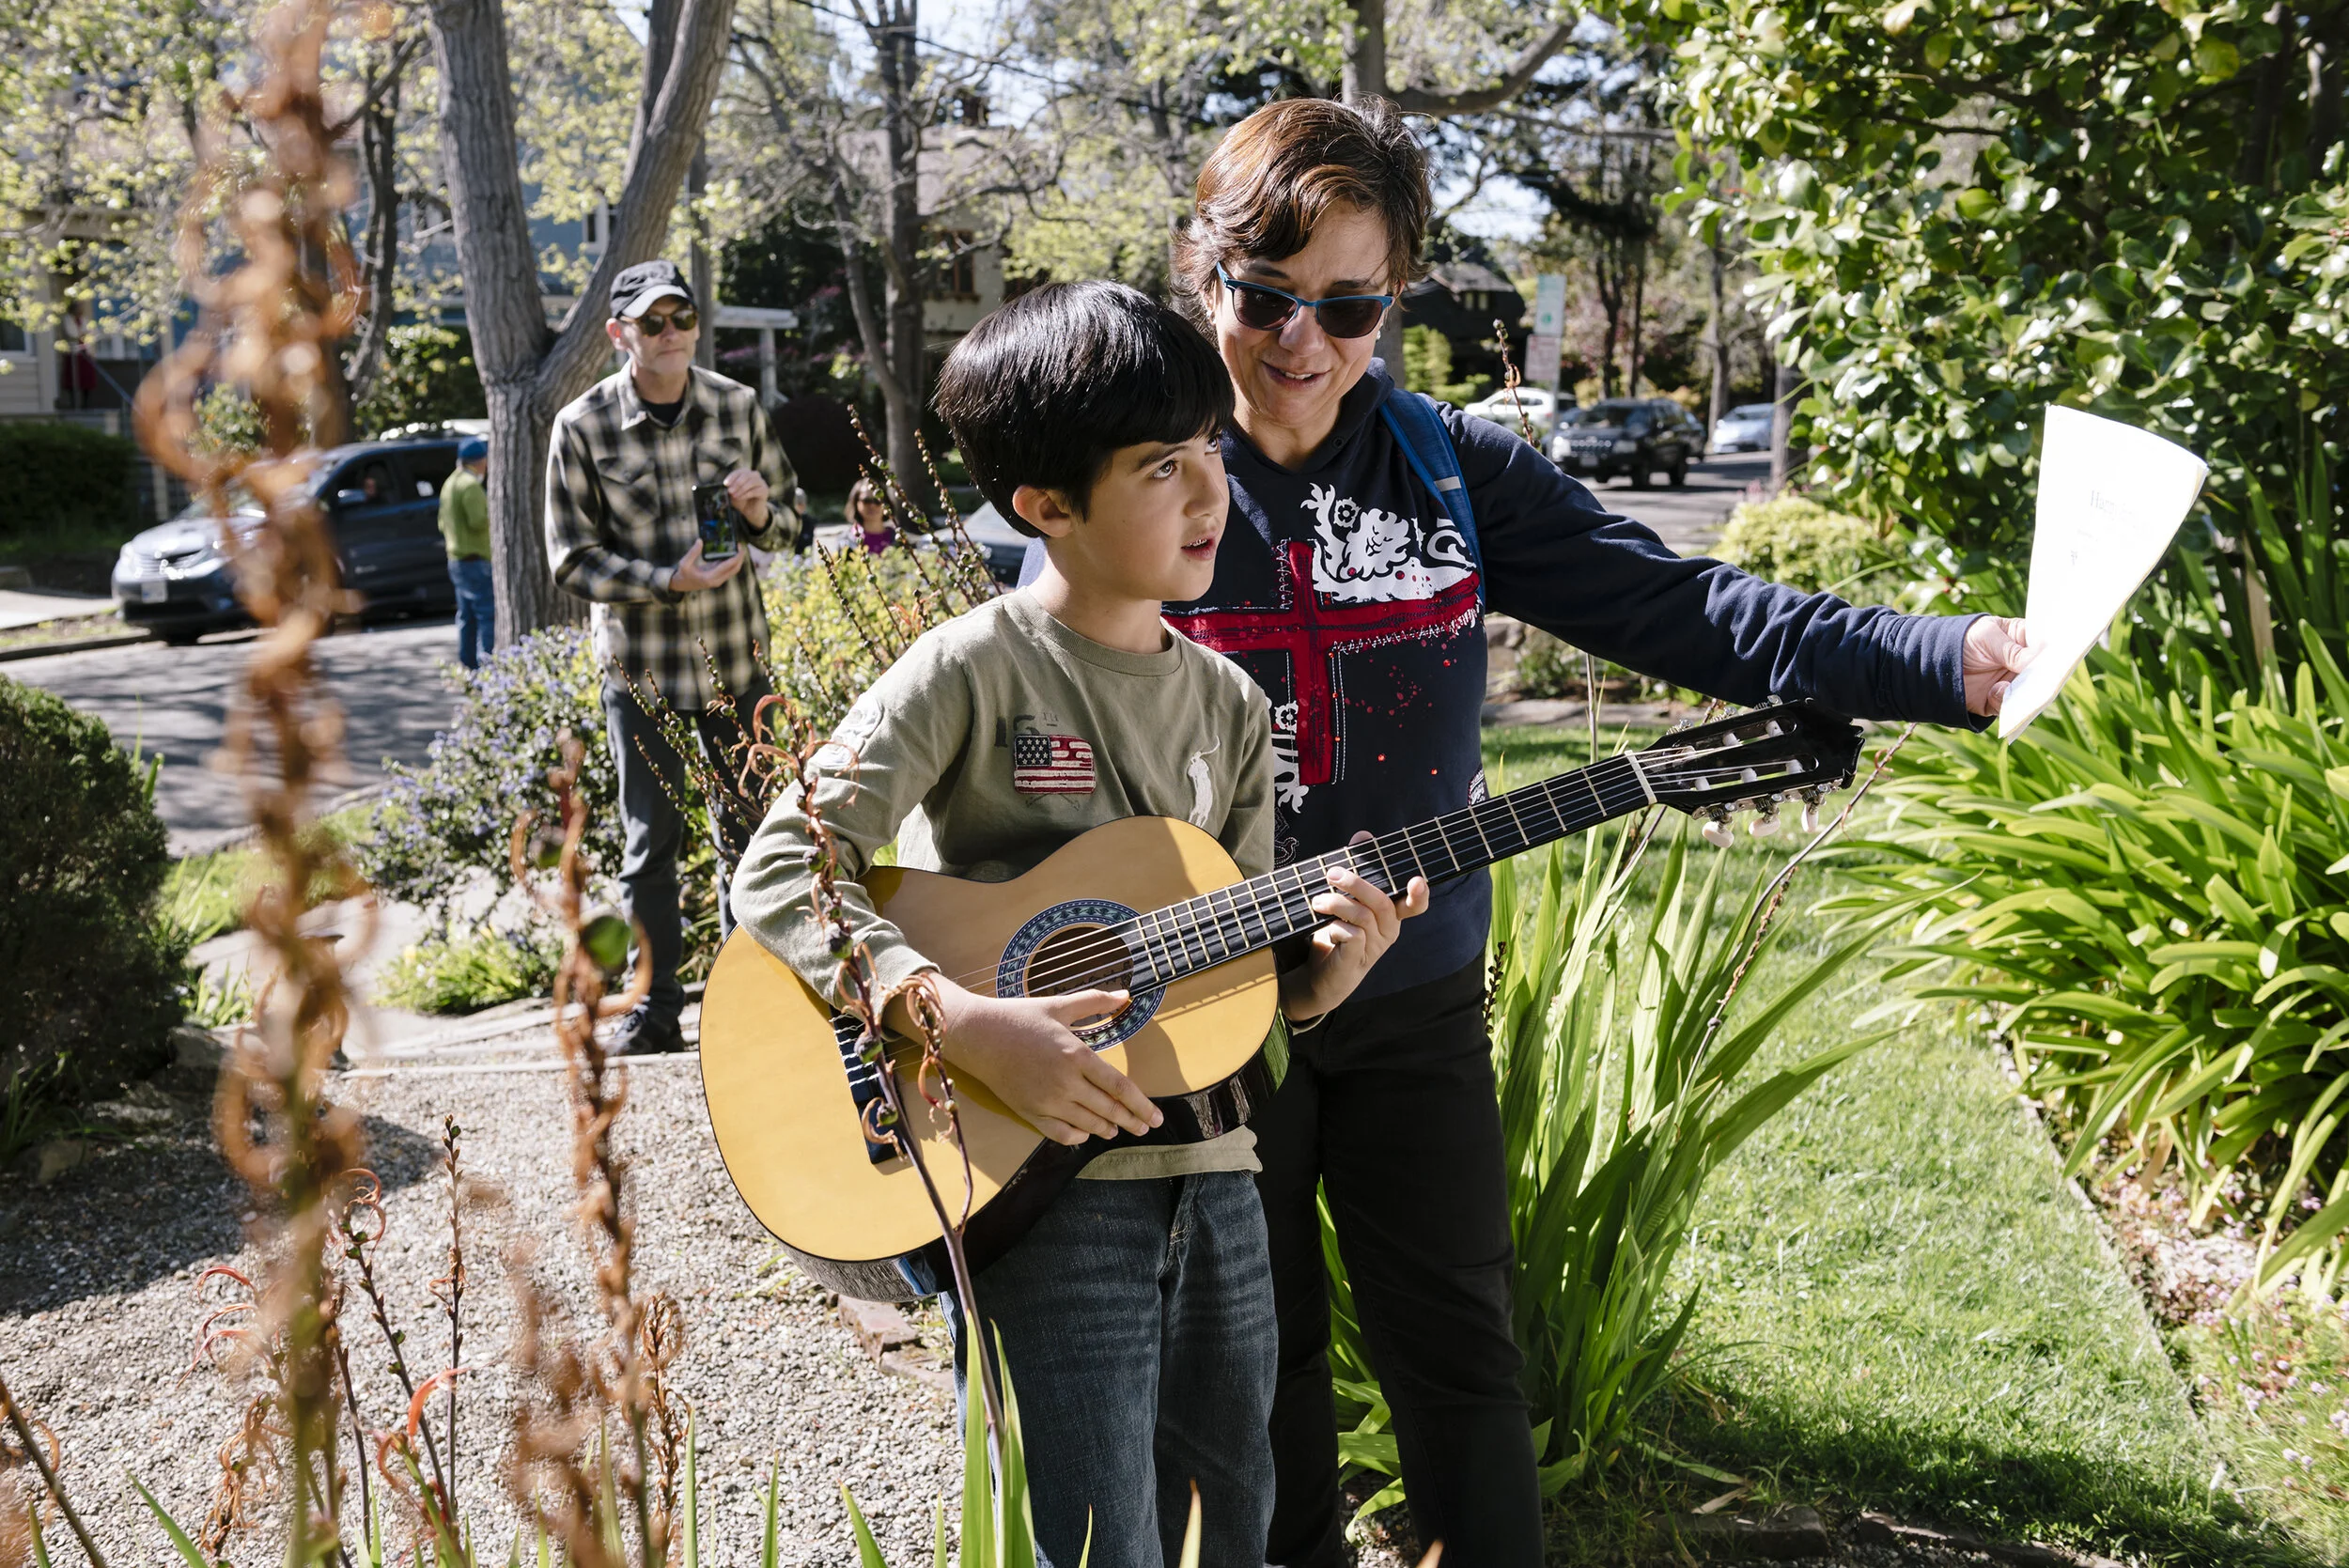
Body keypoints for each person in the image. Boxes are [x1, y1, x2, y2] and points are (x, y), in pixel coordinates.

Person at [1014, 99, 2036, 1566]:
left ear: (1398, 300)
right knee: (1258, 1379)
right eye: (1268, 297)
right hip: (1197, 1011)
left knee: (1462, 1355)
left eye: (1353, 305)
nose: (1306, 342)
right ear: (1201, 272)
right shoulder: (1131, 475)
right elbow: (1012, 721)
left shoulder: (1450, 468)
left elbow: (1682, 606)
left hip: (1417, 990)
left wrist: (1939, 660)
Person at [730, 281, 1427, 1568]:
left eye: (1212, 448)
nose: (1211, 492)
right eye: (1163, 466)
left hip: (1217, 1183)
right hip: (1037, 1199)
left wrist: (1327, 973)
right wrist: (955, 1017)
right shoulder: (973, 667)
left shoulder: (1223, 704)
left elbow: (1241, 972)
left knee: (1239, 1521)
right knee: (1090, 1537)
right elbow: (785, 862)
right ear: (1043, 504)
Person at [545, 257, 803, 1057]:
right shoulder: (580, 427)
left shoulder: (738, 405)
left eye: (681, 318)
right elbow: (568, 559)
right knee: (647, 846)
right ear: (619, 332)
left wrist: (761, 513)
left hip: (734, 657)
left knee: (754, 834)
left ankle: (750, 1002)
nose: (669, 334)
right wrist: (666, 579)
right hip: (643, 665)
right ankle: (654, 1010)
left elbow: (794, 524)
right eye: (651, 322)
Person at [439, 436, 493, 670]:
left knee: (466, 617)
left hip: (456, 560)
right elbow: (478, 521)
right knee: (487, 616)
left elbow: (442, 523)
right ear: (480, 461)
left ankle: (468, 666)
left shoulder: (450, 483)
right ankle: (489, 668)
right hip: (476, 559)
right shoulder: (470, 486)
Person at [848, 475, 895, 554]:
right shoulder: (846, 542)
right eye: (866, 501)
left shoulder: (900, 540)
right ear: (856, 502)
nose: (872, 505)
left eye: (877, 501)